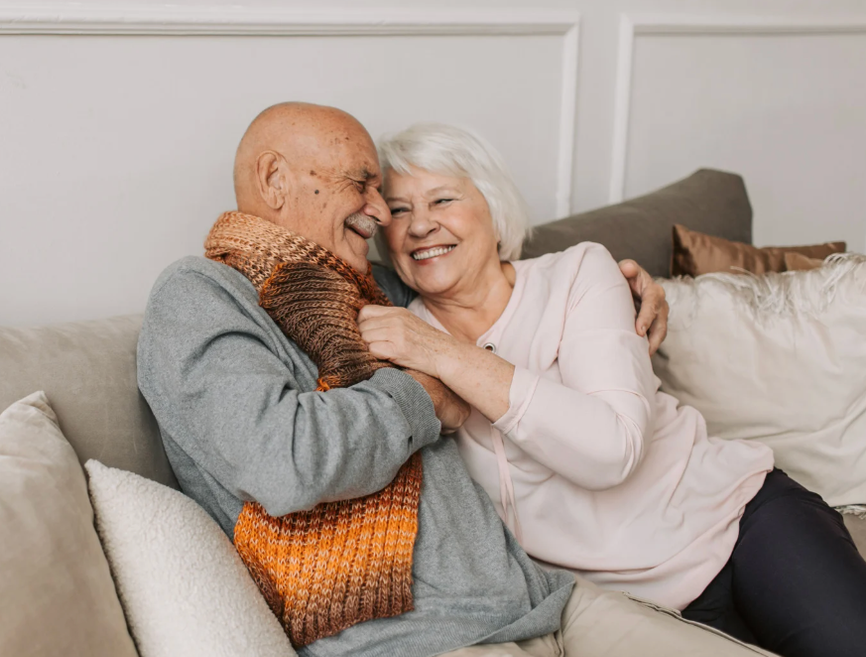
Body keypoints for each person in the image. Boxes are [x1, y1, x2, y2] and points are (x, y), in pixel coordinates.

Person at [137, 102, 776, 657]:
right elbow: (284, 462)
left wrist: (633, 287)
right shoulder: (200, 296)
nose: (380, 210)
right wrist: (422, 395)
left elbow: (479, 272)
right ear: (274, 178)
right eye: (361, 184)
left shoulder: (376, 288)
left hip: (549, 601)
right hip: (423, 640)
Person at [358, 121, 866, 657]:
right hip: (626, 610)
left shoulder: (578, 273)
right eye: (397, 209)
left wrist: (448, 355)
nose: (420, 226)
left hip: (740, 522)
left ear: (493, 206)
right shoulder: (395, 335)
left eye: (443, 199)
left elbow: (611, 451)